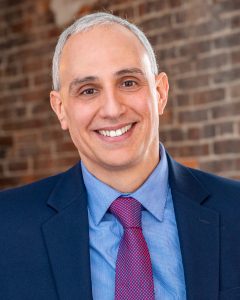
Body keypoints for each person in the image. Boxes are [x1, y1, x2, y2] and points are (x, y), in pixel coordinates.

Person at [0, 12, 240, 300]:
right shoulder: (7, 227)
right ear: (60, 109)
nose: (112, 110)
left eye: (128, 82)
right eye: (88, 90)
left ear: (160, 93)